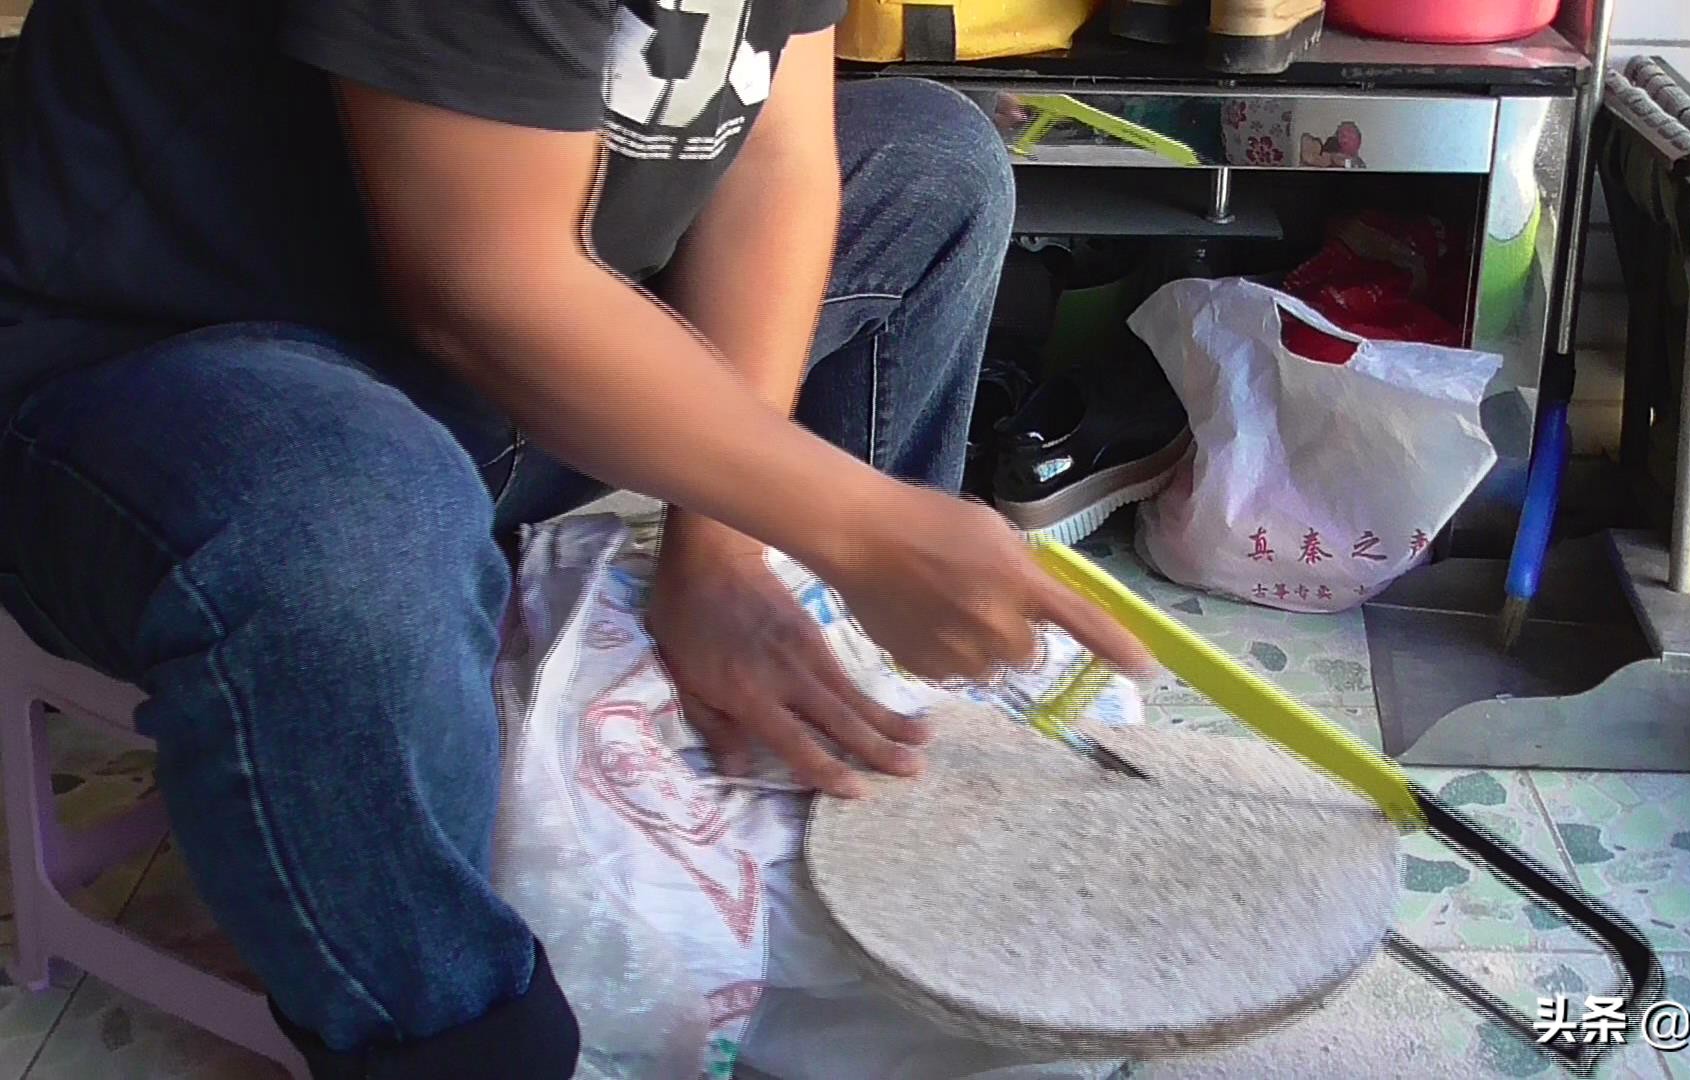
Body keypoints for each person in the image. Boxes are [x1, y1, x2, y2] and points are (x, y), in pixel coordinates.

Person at [0, 1, 1151, 1076]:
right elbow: (482, 285)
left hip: (494, 349)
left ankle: (829, 712)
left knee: (932, 165)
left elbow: (776, 157)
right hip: (161, 367)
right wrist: (858, 524)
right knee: (353, 523)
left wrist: (733, 543)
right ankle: (453, 1026)